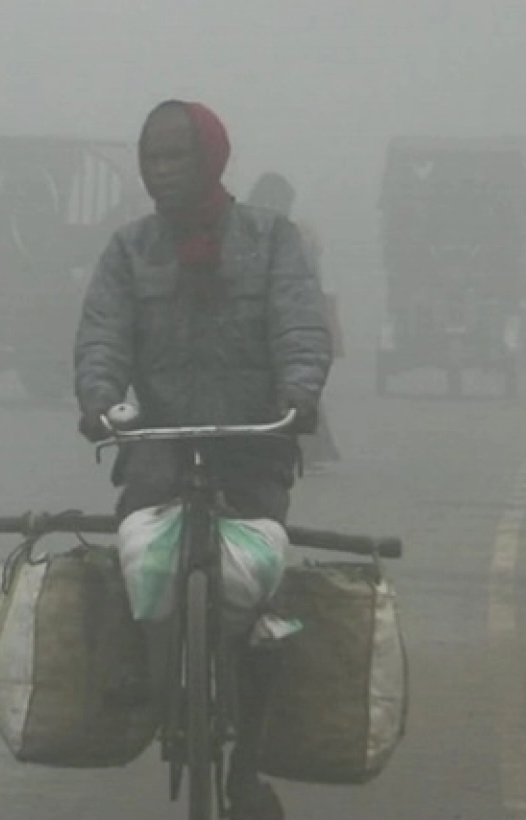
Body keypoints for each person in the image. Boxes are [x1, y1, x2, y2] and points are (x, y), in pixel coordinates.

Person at [73, 100, 333, 820]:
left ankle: (245, 769)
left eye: (175, 157)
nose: (161, 172)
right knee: (135, 554)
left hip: (254, 445)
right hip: (157, 445)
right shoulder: (129, 250)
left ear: (211, 159)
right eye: (152, 158)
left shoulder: (272, 240)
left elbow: (300, 324)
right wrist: (98, 397)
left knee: (261, 603)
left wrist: (300, 392)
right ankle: (138, 659)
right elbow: (102, 334)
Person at [245, 172, 341, 466]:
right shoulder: (295, 234)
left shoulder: (256, 231)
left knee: (288, 387)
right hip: (277, 322)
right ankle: (307, 451)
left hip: (270, 323)